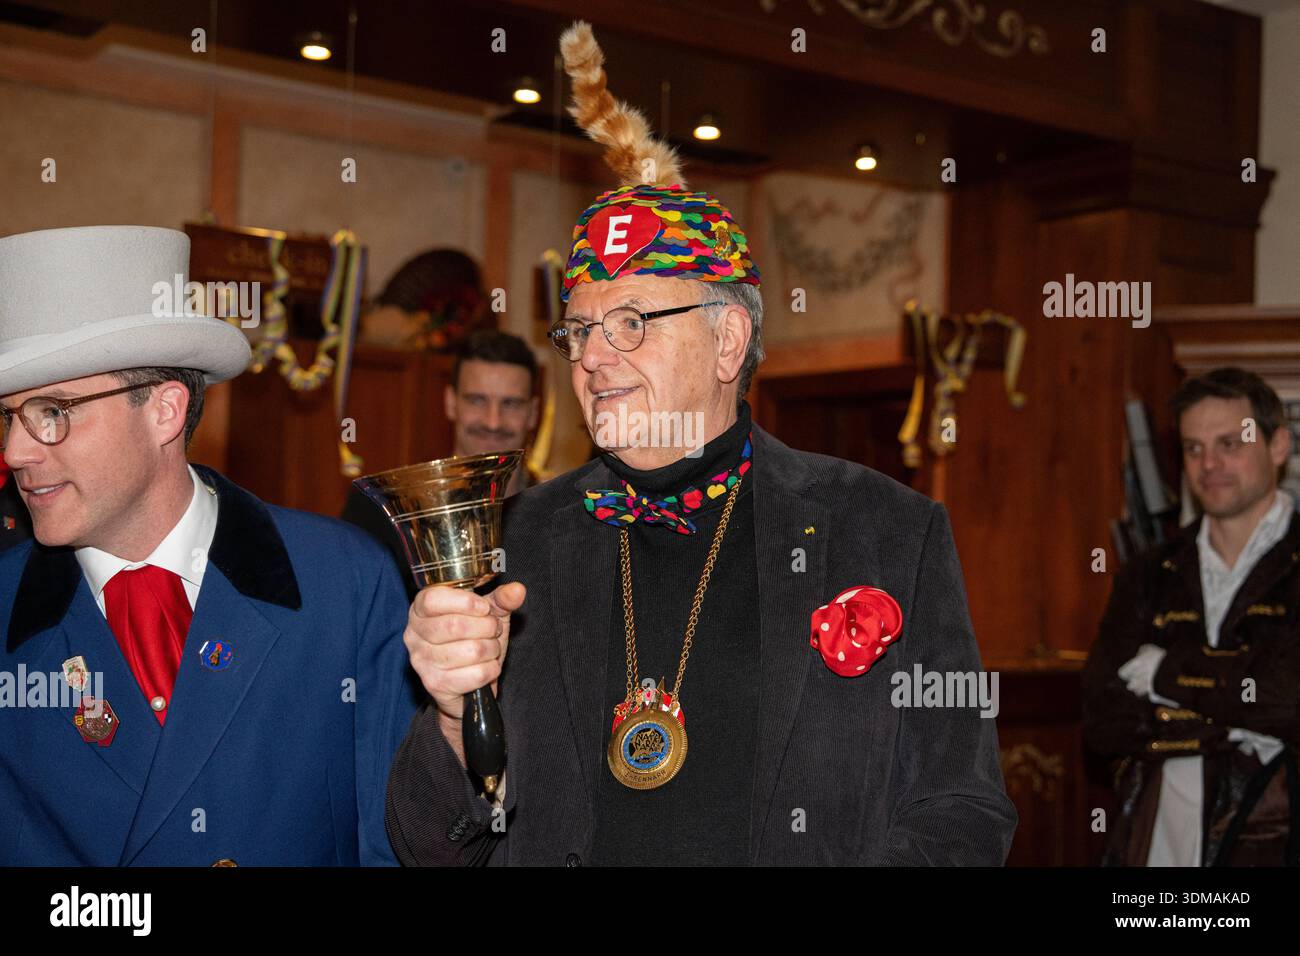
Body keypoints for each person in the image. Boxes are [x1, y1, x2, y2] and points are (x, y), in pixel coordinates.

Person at [382, 21, 1016, 866]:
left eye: (633, 322)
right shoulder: (521, 535)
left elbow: (965, 812)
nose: (593, 358)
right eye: (578, 331)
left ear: (727, 341)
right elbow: (427, 845)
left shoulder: (888, 531)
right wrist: (457, 716)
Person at [0, 225, 420, 865]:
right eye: (7, 416)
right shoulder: (5, 610)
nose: (15, 453)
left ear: (165, 411)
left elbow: (397, 845)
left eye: (52, 412)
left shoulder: (344, 583)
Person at [1084, 367, 1299, 866]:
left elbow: (1289, 698)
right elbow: (1102, 719)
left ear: (1279, 445)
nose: (1210, 464)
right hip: (1157, 847)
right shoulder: (1150, 571)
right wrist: (1233, 723)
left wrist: (1164, 671)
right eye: (1193, 447)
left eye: (1230, 442)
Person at [341, 329, 540, 594]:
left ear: (533, 413)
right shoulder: (385, 511)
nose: (493, 422)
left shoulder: (559, 514)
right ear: (450, 402)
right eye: (477, 400)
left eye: (511, 404)